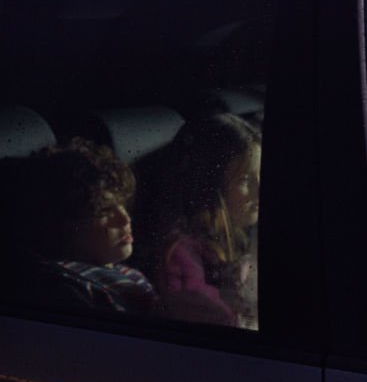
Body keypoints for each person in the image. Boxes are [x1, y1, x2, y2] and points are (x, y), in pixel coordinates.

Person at [0, 138, 155, 313]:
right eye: (104, 211)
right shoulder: (70, 288)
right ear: (63, 225)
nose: (125, 219)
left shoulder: (126, 272)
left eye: (123, 206)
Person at [147, 113, 261, 329]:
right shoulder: (181, 258)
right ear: (209, 186)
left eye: (260, 176)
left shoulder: (239, 235)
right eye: (245, 179)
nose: (259, 190)